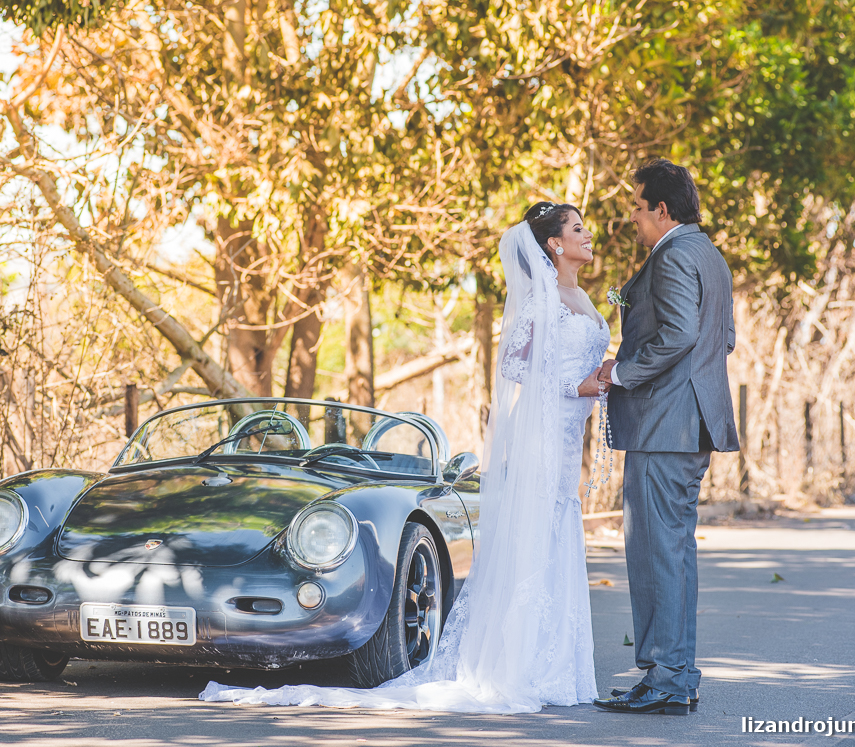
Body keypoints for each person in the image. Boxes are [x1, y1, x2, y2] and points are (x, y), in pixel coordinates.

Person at [199, 203, 608, 713]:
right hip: (544, 435)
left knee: (557, 529)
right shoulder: (539, 302)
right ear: (554, 244)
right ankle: (521, 665)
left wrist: (605, 375)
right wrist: (578, 383)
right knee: (534, 536)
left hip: (571, 436)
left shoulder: (583, 297)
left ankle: (557, 667)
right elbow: (513, 368)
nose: (587, 235)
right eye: (577, 228)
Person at [594, 159, 739, 716]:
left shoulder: (675, 255)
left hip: (664, 426)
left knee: (656, 554)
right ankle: (674, 676)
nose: (631, 216)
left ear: (661, 209)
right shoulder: (710, 255)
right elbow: (721, 338)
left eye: (635, 206)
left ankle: (667, 679)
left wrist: (623, 372)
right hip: (689, 423)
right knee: (672, 553)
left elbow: (679, 333)